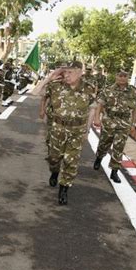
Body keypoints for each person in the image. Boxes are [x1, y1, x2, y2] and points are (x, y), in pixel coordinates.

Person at [44, 61, 95, 205]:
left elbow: (92, 109)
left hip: (77, 131)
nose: (66, 75)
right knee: (54, 158)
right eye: (65, 72)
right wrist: (50, 78)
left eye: (70, 72)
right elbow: (34, 92)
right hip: (58, 129)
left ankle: (64, 188)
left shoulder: (88, 88)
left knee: (71, 161)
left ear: (80, 72)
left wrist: (87, 129)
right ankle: (54, 171)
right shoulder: (55, 86)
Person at [93, 70, 136, 183]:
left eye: (125, 76)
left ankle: (114, 171)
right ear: (116, 77)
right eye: (120, 75)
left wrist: (133, 124)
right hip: (109, 120)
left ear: (127, 77)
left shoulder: (132, 91)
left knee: (119, 147)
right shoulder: (108, 89)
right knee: (104, 143)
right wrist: (97, 118)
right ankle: (99, 157)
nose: (122, 78)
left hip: (124, 122)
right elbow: (100, 104)